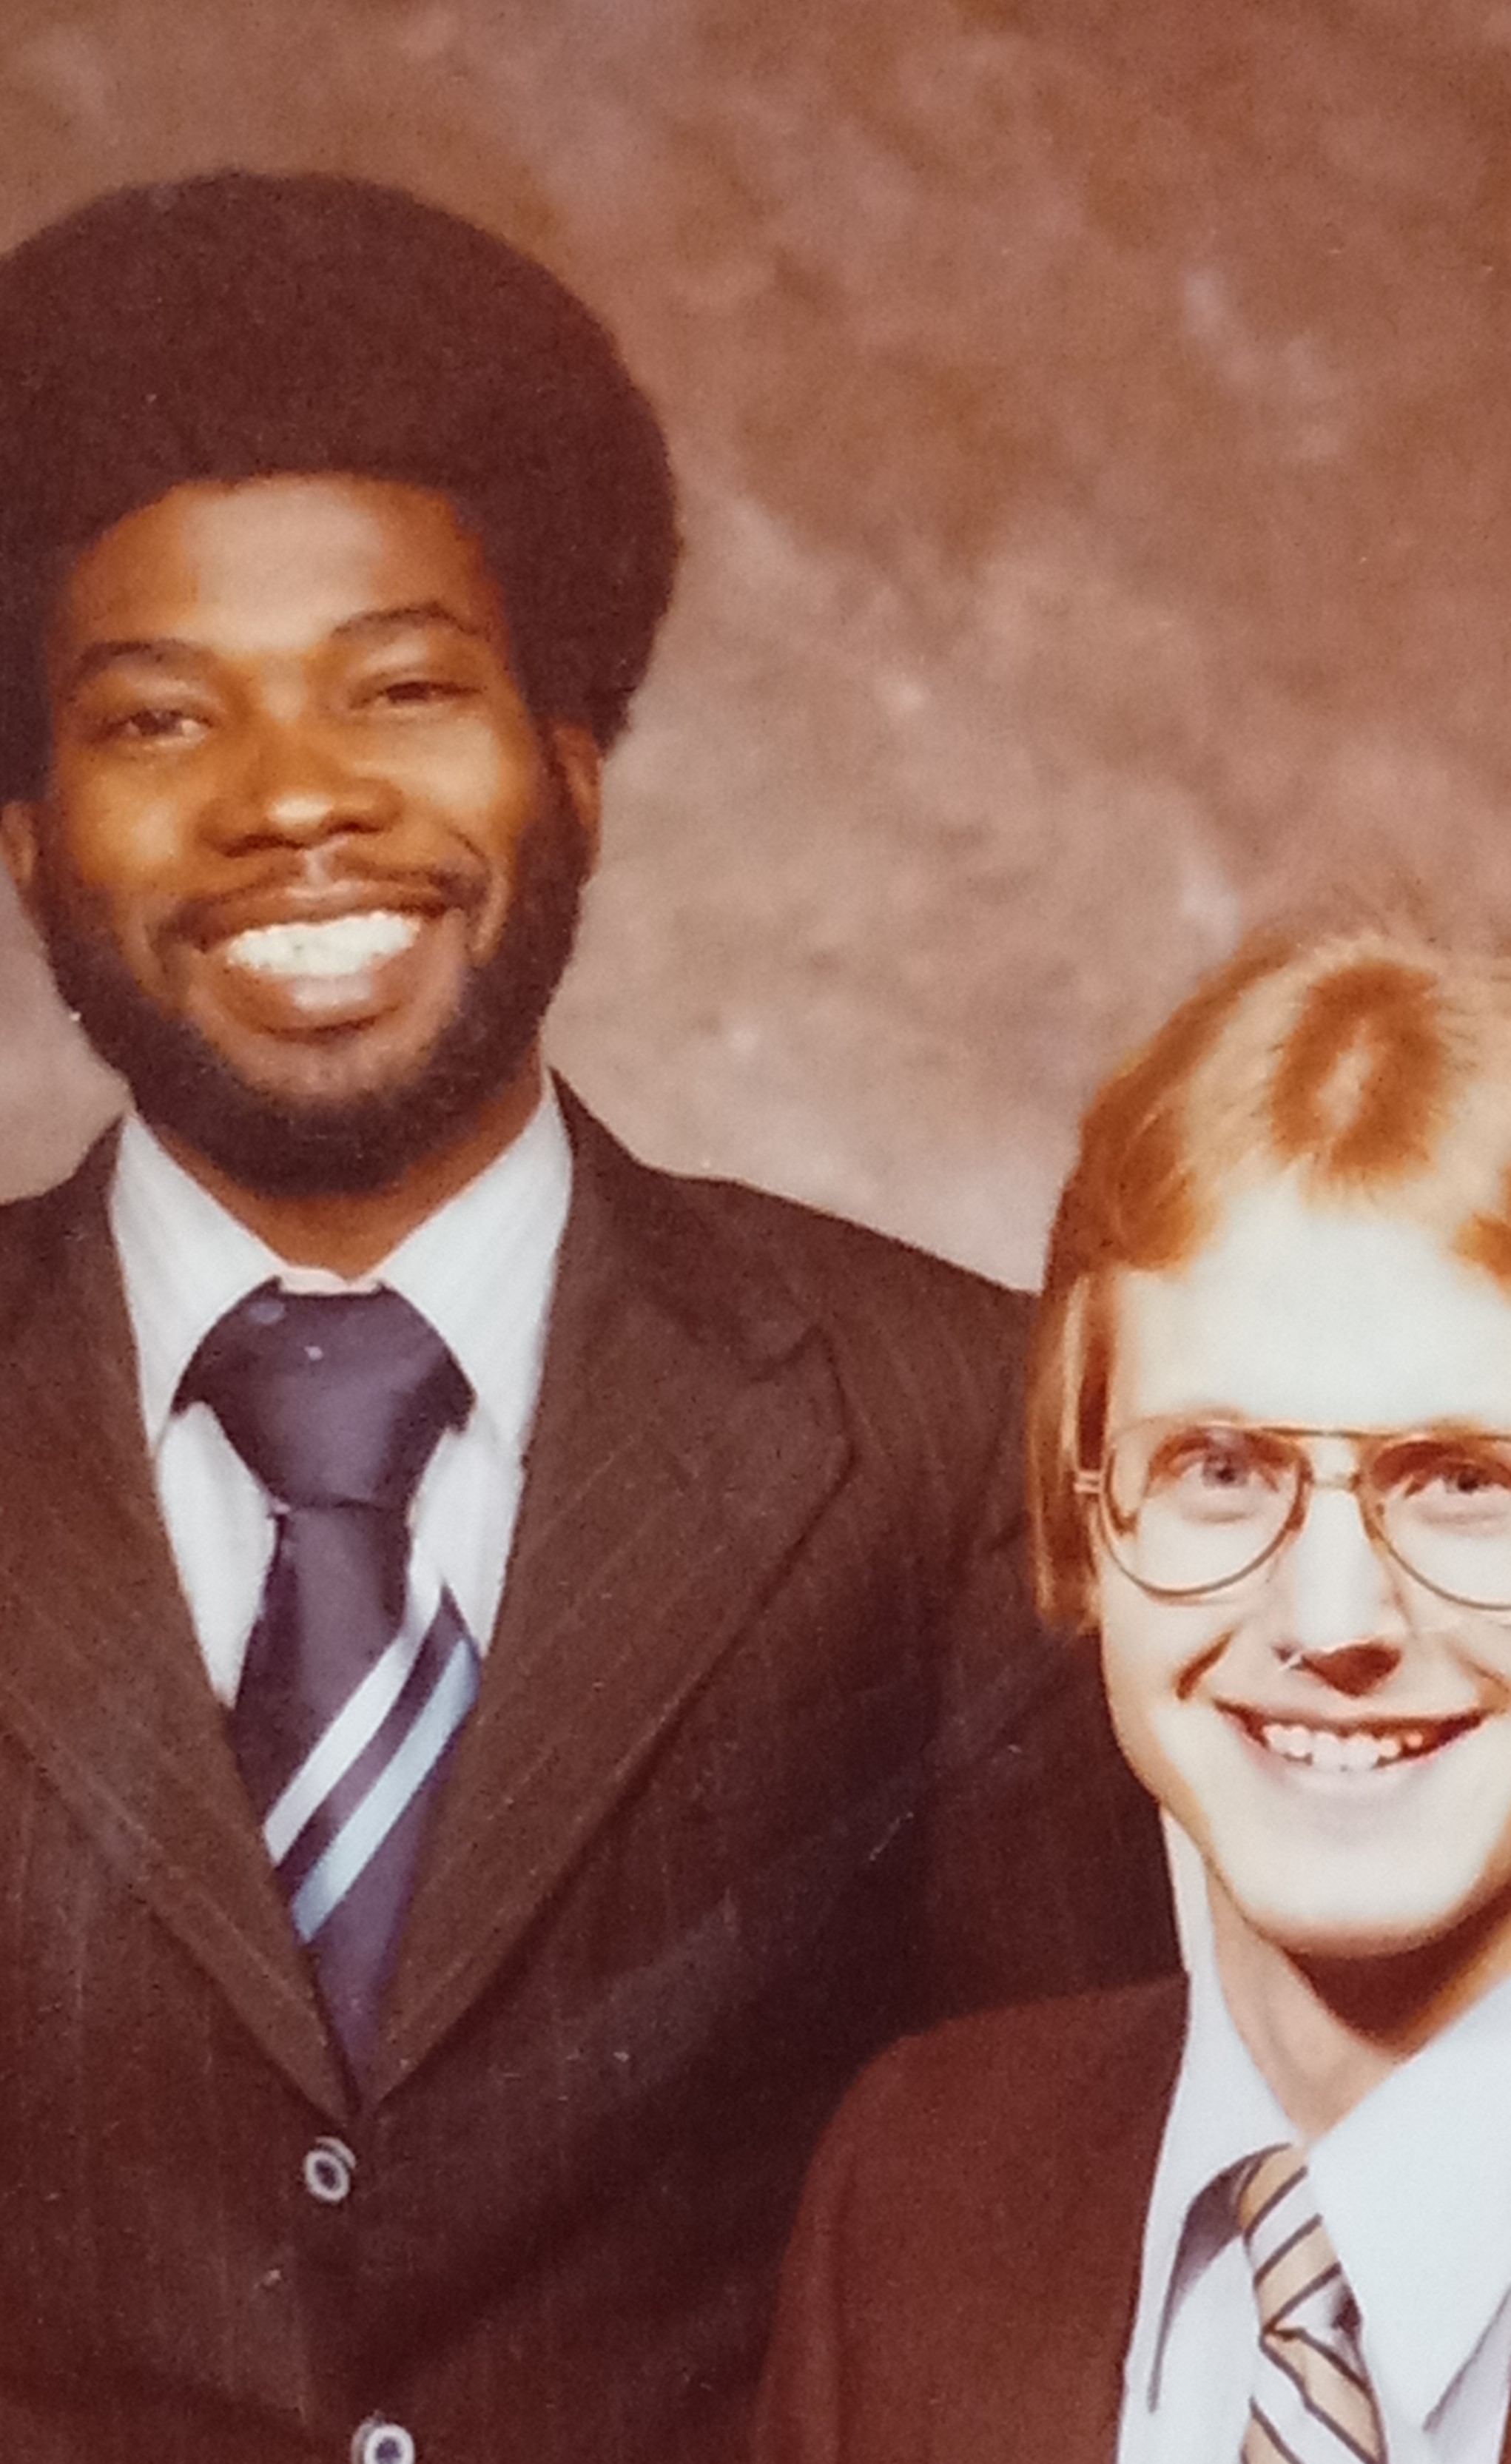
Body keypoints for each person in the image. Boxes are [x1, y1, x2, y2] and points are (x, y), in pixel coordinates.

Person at [0, 173, 1171, 2464]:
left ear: (578, 768)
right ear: (32, 838)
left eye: (406, 687)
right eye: (158, 723)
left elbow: (1057, 2260)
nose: (297, 799)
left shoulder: (947, 1423)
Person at [756, 926, 1511, 2464]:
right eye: (1217, 1471)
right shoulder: (915, 2191)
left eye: (1462, 1484)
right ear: (1076, 1524)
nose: (1331, 1618)